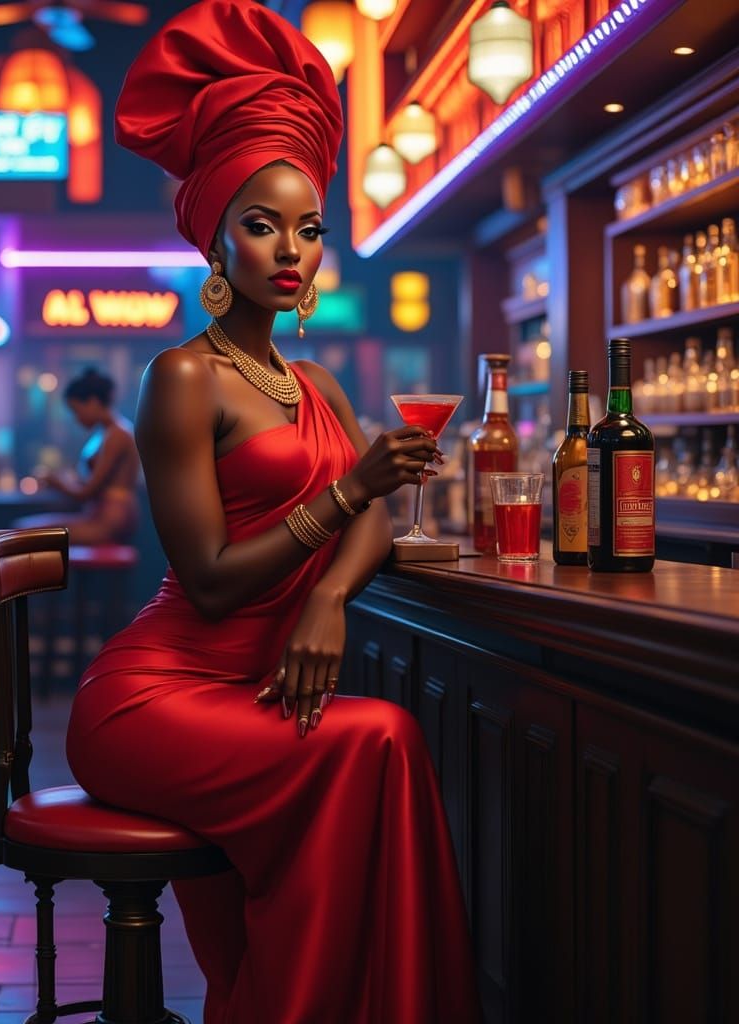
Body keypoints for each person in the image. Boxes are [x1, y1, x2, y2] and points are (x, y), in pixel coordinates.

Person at [65, 4, 481, 1022]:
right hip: (153, 697)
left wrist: (328, 597)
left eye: (309, 228)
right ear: (216, 238)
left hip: (256, 694)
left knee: (379, 743)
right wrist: (350, 491)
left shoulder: (316, 381)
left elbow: (369, 524)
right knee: (379, 736)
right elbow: (210, 579)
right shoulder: (181, 378)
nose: (290, 249)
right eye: (261, 224)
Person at [14, 368, 141, 544]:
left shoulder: (117, 435)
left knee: (22, 533)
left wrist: (56, 483)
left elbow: (87, 492)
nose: (77, 418)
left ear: (93, 402)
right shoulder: (106, 433)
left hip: (110, 521)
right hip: (98, 515)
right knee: (22, 529)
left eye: (77, 411)